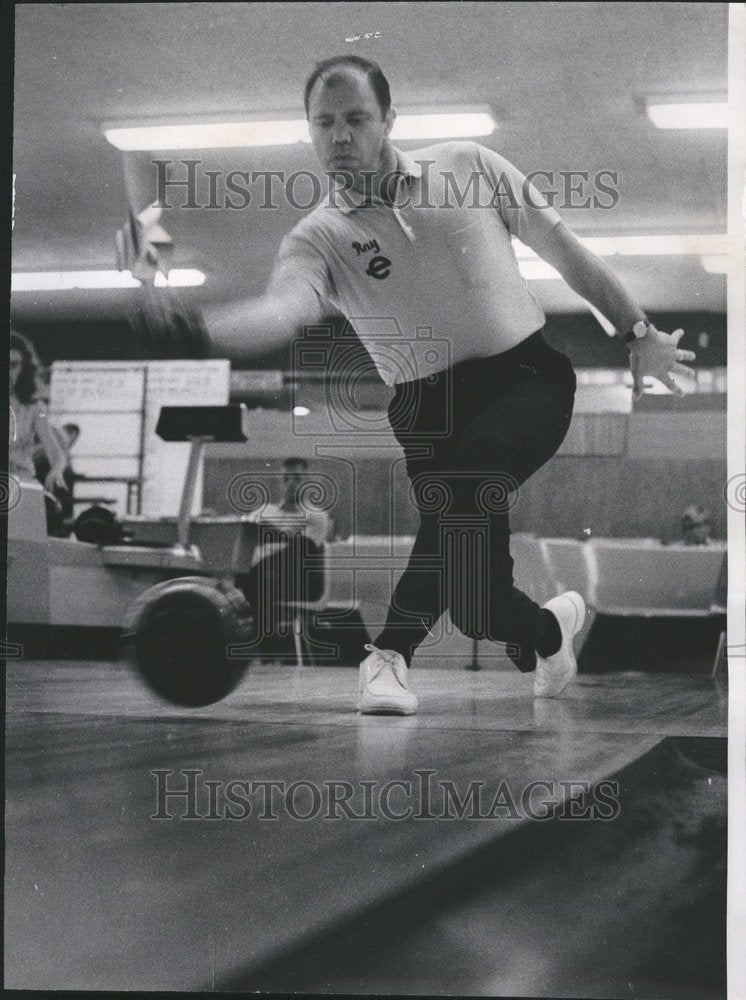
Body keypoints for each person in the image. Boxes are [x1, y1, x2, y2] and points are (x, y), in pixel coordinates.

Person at [164, 55, 694, 714]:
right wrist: (201, 333)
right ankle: (549, 632)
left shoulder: (467, 167)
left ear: (389, 118)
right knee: (474, 598)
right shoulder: (318, 237)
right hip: (424, 410)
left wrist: (637, 332)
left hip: (524, 379)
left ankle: (387, 657)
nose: (339, 137)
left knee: (463, 487)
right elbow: (286, 310)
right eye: (323, 123)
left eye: (356, 118)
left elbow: (567, 253)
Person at [235, 458, 335, 646]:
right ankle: (259, 644)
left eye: (297, 478)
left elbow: (305, 550)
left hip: (299, 580)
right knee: (255, 576)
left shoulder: (316, 515)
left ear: (306, 482)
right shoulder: (262, 512)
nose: (291, 484)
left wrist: (278, 538)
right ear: (280, 482)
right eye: (286, 479)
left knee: (272, 571)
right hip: (262, 575)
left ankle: (263, 647)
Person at [9, 331, 69, 531]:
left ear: (23, 367)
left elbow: (54, 451)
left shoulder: (35, 409)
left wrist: (57, 469)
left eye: (14, 365)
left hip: (22, 486)